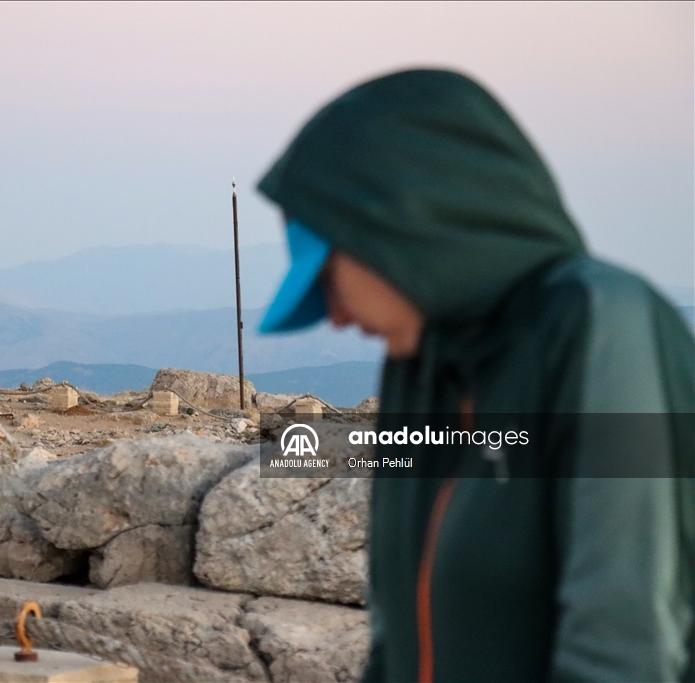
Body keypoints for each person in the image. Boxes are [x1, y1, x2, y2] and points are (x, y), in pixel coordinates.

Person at [257, 69, 693, 682]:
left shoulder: (597, 325)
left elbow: (625, 647)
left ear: (399, 228)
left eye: (327, 278)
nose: (334, 315)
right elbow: (396, 634)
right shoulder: (422, 366)